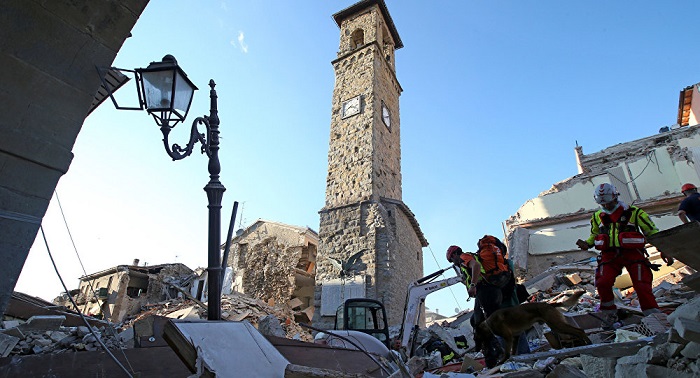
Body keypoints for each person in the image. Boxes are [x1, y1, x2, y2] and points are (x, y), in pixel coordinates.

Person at [575, 183, 674, 329]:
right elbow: (595, 235)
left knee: (641, 285)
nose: (606, 205)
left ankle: (654, 317)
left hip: (633, 253)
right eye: (602, 203)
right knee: (602, 282)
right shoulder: (597, 216)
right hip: (609, 255)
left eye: (608, 202)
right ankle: (609, 315)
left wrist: (663, 249)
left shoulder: (635, 212)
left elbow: (652, 232)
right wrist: (587, 243)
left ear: (615, 197)